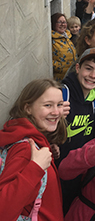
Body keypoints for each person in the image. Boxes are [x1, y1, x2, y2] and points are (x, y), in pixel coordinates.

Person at [59, 47, 95, 214]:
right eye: (88, 68)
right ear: (78, 68)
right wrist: (55, 116)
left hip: (79, 170)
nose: (93, 76)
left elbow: (90, 137)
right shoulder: (62, 93)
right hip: (57, 171)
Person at [0, 79, 67, 221]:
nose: (56, 112)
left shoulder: (32, 137)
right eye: (48, 105)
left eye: (59, 105)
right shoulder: (26, 149)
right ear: (28, 108)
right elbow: (3, 211)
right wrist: (35, 168)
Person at [51, 13, 76, 82]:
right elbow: (48, 59)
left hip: (71, 75)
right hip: (60, 78)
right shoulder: (51, 39)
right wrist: (60, 67)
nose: (62, 24)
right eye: (59, 22)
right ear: (53, 24)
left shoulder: (68, 36)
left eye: (64, 22)